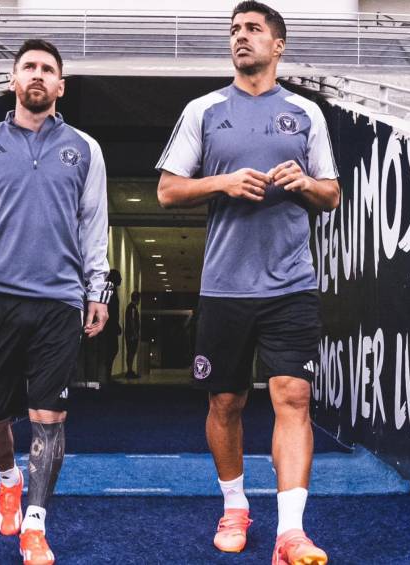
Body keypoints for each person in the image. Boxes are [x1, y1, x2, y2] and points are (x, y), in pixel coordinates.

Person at [156, 2, 339, 563]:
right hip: (225, 286)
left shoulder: (306, 113)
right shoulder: (204, 110)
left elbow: (330, 194)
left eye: (253, 30)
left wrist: (305, 182)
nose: (241, 37)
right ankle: (235, 506)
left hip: (290, 282)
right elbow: (166, 190)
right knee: (226, 402)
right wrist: (224, 182)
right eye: (235, 30)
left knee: (293, 395)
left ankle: (290, 533)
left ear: (277, 45)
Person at [0, 39, 111, 565]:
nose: (37, 75)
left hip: (59, 301)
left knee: (48, 418)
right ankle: (9, 480)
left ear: (60, 86)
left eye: (47, 69)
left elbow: (92, 225)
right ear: (14, 80)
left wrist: (96, 289)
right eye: (28, 67)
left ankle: (36, 523)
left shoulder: (85, 149)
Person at [103, 269, 122, 379]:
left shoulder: (111, 290)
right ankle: (106, 376)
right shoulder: (111, 291)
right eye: (119, 277)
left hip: (110, 326)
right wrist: (114, 324)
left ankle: (107, 376)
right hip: (109, 327)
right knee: (111, 350)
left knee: (112, 350)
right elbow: (112, 310)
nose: (121, 279)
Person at [124, 291, 141, 378]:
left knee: (130, 352)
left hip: (130, 333)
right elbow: (132, 320)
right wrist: (134, 333)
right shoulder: (132, 308)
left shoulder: (131, 307)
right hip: (131, 334)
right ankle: (129, 371)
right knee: (131, 352)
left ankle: (129, 370)